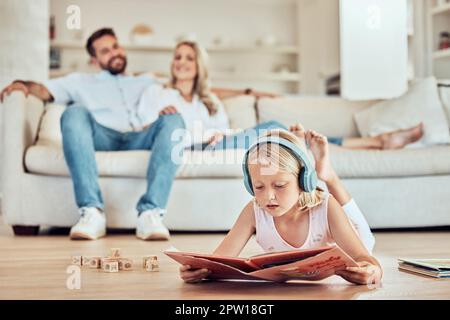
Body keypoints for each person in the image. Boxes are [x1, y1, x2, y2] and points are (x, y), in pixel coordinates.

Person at [0, 28, 187, 241]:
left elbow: (195, 88)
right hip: (102, 137)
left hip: (140, 137)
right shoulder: (79, 81)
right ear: (95, 59)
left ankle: (151, 213)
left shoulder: (147, 81)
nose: (114, 53)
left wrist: (232, 93)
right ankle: (91, 211)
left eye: (115, 46)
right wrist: (22, 84)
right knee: (74, 112)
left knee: (174, 119)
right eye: (105, 51)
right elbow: (43, 90)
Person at [179, 128, 383, 285]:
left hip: (350, 230)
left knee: (364, 237)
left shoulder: (327, 207)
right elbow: (219, 261)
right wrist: (198, 271)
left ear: (304, 181)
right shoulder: (254, 210)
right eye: (258, 187)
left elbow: (367, 260)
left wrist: (372, 271)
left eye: (280, 185)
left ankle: (327, 174)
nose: (268, 196)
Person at [142, 40, 423, 152]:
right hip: (191, 150)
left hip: (220, 145)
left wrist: (221, 135)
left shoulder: (210, 100)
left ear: (199, 65)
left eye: (189, 57)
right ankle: (376, 142)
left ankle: (375, 142)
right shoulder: (160, 93)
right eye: (177, 57)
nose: (181, 62)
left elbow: (221, 127)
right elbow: (150, 130)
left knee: (279, 132)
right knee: (276, 129)